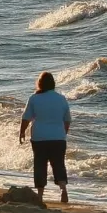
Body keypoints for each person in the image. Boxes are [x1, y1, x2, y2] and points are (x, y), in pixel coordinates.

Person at [19, 71, 71, 204]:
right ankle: (63, 190)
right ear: (53, 84)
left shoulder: (34, 98)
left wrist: (22, 132)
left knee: (40, 165)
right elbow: (67, 120)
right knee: (59, 164)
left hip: (39, 137)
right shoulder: (61, 98)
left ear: (40, 84)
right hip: (58, 138)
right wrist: (63, 134)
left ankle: (40, 195)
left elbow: (26, 118)